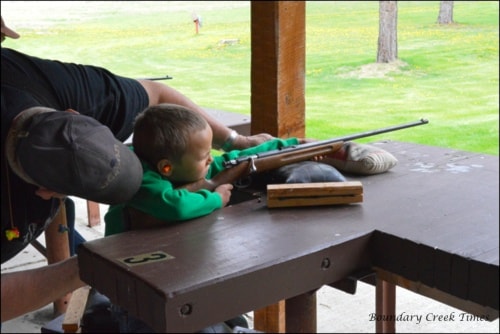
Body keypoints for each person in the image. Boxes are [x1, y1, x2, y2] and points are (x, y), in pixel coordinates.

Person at [1, 16, 273, 323]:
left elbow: (156, 94)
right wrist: (97, 264)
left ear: (74, 114)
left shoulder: (48, 82)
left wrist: (234, 140)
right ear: (48, 191)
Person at [104, 103, 338, 235]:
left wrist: (291, 146)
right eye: (205, 156)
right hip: (121, 257)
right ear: (166, 167)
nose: (211, 160)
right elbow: (177, 205)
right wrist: (215, 198)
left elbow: (238, 158)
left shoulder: (175, 165)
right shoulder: (143, 180)